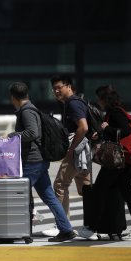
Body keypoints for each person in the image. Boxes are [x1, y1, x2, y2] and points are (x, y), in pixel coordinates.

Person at [7, 82, 76, 242]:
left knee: (19, 195)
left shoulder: (27, 111)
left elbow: (32, 133)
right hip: (38, 160)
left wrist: (13, 136)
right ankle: (66, 229)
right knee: (49, 196)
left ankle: (22, 232)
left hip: (33, 161)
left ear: (13, 97)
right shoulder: (29, 108)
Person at [41, 74, 96, 240]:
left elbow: (83, 127)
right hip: (84, 151)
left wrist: (71, 149)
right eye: (54, 88)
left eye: (59, 87)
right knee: (86, 189)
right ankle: (92, 226)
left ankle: (62, 225)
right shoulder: (75, 102)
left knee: (60, 185)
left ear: (69, 86)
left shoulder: (72, 103)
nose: (56, 91)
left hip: (77, 150)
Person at [90, 85, 131, 241]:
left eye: (99, 98)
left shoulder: (115, 112)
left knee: (99, 189)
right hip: (122, 160)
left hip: (118, 160)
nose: (98, 102)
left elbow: (124, 131)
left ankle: (91, 227)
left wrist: (107, 128)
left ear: (105, 99)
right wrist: (100, 133)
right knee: (127, 193)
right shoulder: (116, 111)